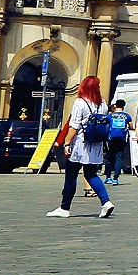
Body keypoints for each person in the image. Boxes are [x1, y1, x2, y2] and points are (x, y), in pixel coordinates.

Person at [48, 76, 114, 219]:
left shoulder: (80, 102)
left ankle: (64, 208)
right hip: (96, 144)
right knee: (91, 174)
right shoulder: (102, 103)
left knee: (71, 175)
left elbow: (74, 125)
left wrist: (66, 143)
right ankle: (106, 201)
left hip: (80, 144)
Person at [104, 99, 131, 185]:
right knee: (119, 158)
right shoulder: (127, 116)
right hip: (121, 139)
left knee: (109, 158)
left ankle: (108, 177)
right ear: (124, 106)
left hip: (111, 139)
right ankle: (115, 178)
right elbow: (131, 125)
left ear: (115, 106)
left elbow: (105, 124)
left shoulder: (110, 116)